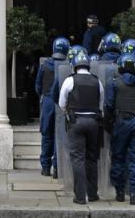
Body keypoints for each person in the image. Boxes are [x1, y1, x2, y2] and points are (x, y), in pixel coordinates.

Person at [58, 50, 104, 205]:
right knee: (92, 158)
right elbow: (100, 103)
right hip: (93, 122)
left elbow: (62, 103)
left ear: (74, 65)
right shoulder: (97, 81)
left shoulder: (69, 81)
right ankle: (92, 194)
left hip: (76, 121)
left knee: (78, 159)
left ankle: (79, 196)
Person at [105, 53, 135, 205]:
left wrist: (108, 125)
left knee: (118, 157)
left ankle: (120, 192)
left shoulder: (114, 83)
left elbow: (109, 106)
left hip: (121, 122)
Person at [34, 37, 70, 177]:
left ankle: (45, 167)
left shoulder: (45, 65)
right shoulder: (68, 65)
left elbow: (37, 86)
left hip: (48, 101)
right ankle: (57, 168)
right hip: (62, 104)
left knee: (47, 135)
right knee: (59, 136)